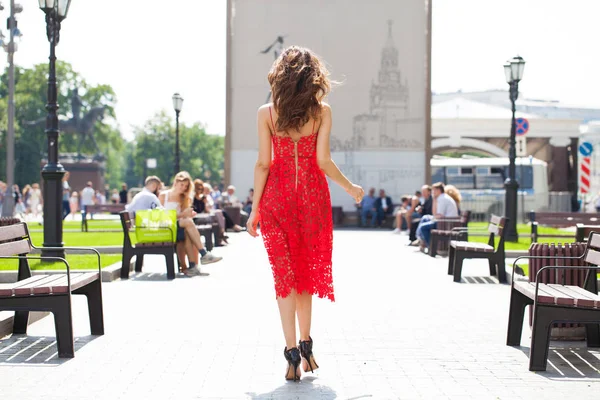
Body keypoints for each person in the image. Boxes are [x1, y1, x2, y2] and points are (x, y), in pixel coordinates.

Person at [246, 46, 364, 381]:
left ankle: (291, 355)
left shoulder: (266, 113)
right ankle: (307, 346)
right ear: (312, 77)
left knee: (285, 279)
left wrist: (254, 210)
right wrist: (350, 187)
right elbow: (323, 161)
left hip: (276, 203)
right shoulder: (321, 112)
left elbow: (264, 164)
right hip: (311, 201)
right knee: (305, 277)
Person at [159, 171, 222, 276]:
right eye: (182, 185)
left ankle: (193, 266)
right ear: (176, 182)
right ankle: (204, 254)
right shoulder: (163, 196)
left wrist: (188, 214)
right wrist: (182, 215)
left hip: (178, 227)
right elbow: (160, 216)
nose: (183, 188)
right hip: (166, 226)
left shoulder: (184, 198)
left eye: (186, 186)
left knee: (187, 231)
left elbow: (184, 216)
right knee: (188, 223)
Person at [416, 182, 458, 250]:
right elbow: (435, 214)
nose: (432, 192)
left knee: (423, 227)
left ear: (438, 190)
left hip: (446, 223)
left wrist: (432, 219)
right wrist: (434, 200)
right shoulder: (440, 198)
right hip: (444, 221)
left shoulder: (442, 198)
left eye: (434, 190)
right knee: (425, 218)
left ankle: (431, 247)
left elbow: (439, 216)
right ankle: (421, 241)